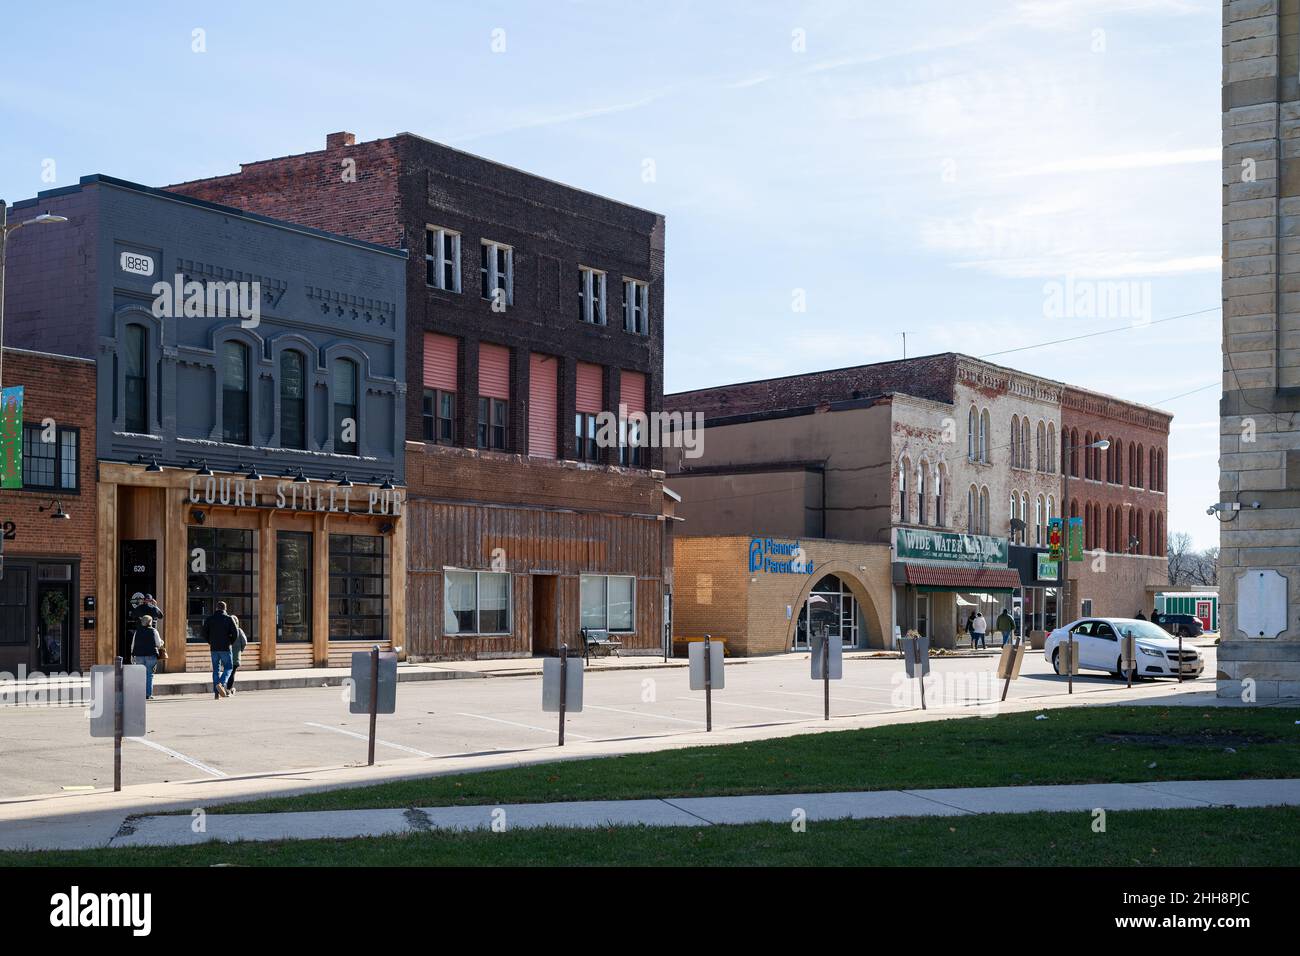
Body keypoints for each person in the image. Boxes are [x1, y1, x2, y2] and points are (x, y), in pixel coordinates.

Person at [202, 601, 238, 699]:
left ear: (217, 608)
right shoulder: (229, 619)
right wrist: (230, 642)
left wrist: (210, 642)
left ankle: (216, 693)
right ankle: (221, 684)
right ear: (225, 609)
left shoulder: (210, 619)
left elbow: (204, 633)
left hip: (214, 648)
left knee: (216, 670)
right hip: (225, 648)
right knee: (229, 667)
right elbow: (235, 634)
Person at [130, 614, 165, 699]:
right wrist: (162, 642)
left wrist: (132, 655)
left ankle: (139, 694)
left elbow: (133, 645)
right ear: (150, 622)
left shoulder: (137, 631)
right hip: (151, 655)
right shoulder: (154, 631)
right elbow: (158, 644)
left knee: (140, 675)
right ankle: (148, 694)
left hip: (138, 656)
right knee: (149, 675)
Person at [226, 614, 249, 695]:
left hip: (226, 655)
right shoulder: (239, 631)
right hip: (236, 656)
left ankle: (229, 688)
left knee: (227, 672)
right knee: (232, 673)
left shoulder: (226, 631)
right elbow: (245, 642)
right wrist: (240, 650)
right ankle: (228, 689)